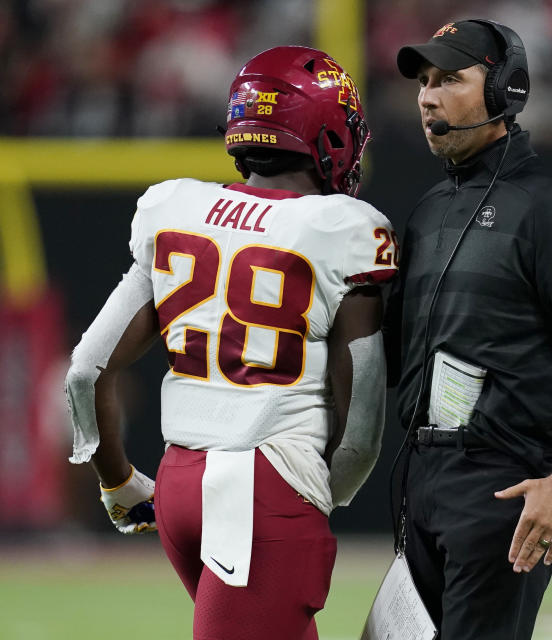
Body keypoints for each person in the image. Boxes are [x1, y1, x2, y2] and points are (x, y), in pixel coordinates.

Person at [63, 46, 396, 640]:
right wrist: (318, 495)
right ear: (324, 133)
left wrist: (117, 483)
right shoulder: (345, 227)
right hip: (265, 492)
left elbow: (87, 370)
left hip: (177, 483)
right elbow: (362, 428)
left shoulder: (174, 208)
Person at [388, 19, 552, 639]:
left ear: (504, 92)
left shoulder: (547, 205)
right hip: (422, 479)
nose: (426, 95)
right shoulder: (427, 211)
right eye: (422, 81)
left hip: (502, 488)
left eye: (449, 79)